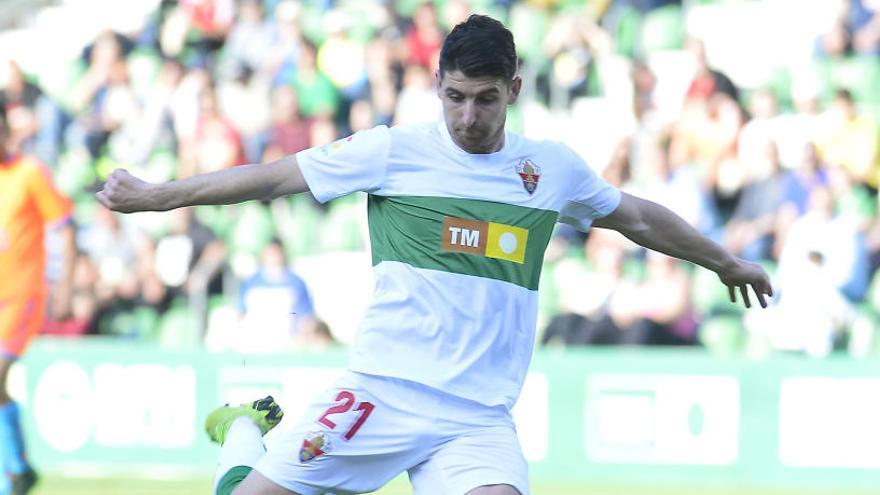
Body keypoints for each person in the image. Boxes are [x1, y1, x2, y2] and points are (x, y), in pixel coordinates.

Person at [96, 15, 772, 495]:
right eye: (454, 97)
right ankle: (245, 429)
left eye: (484, 100)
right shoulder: (394, 151)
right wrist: (159, 196)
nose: (468, 118)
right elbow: (273, 176)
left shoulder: (549, 169)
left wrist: (723, 260)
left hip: (476, 415)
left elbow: (638, 217)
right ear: (436, 84)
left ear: (513, 87)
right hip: (380, 392)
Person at [0, 106, 76, 494]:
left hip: (20, 297)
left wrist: (65, 286)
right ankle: (19, 465)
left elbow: (63, 226)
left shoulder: (28, 173)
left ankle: (9, 475)